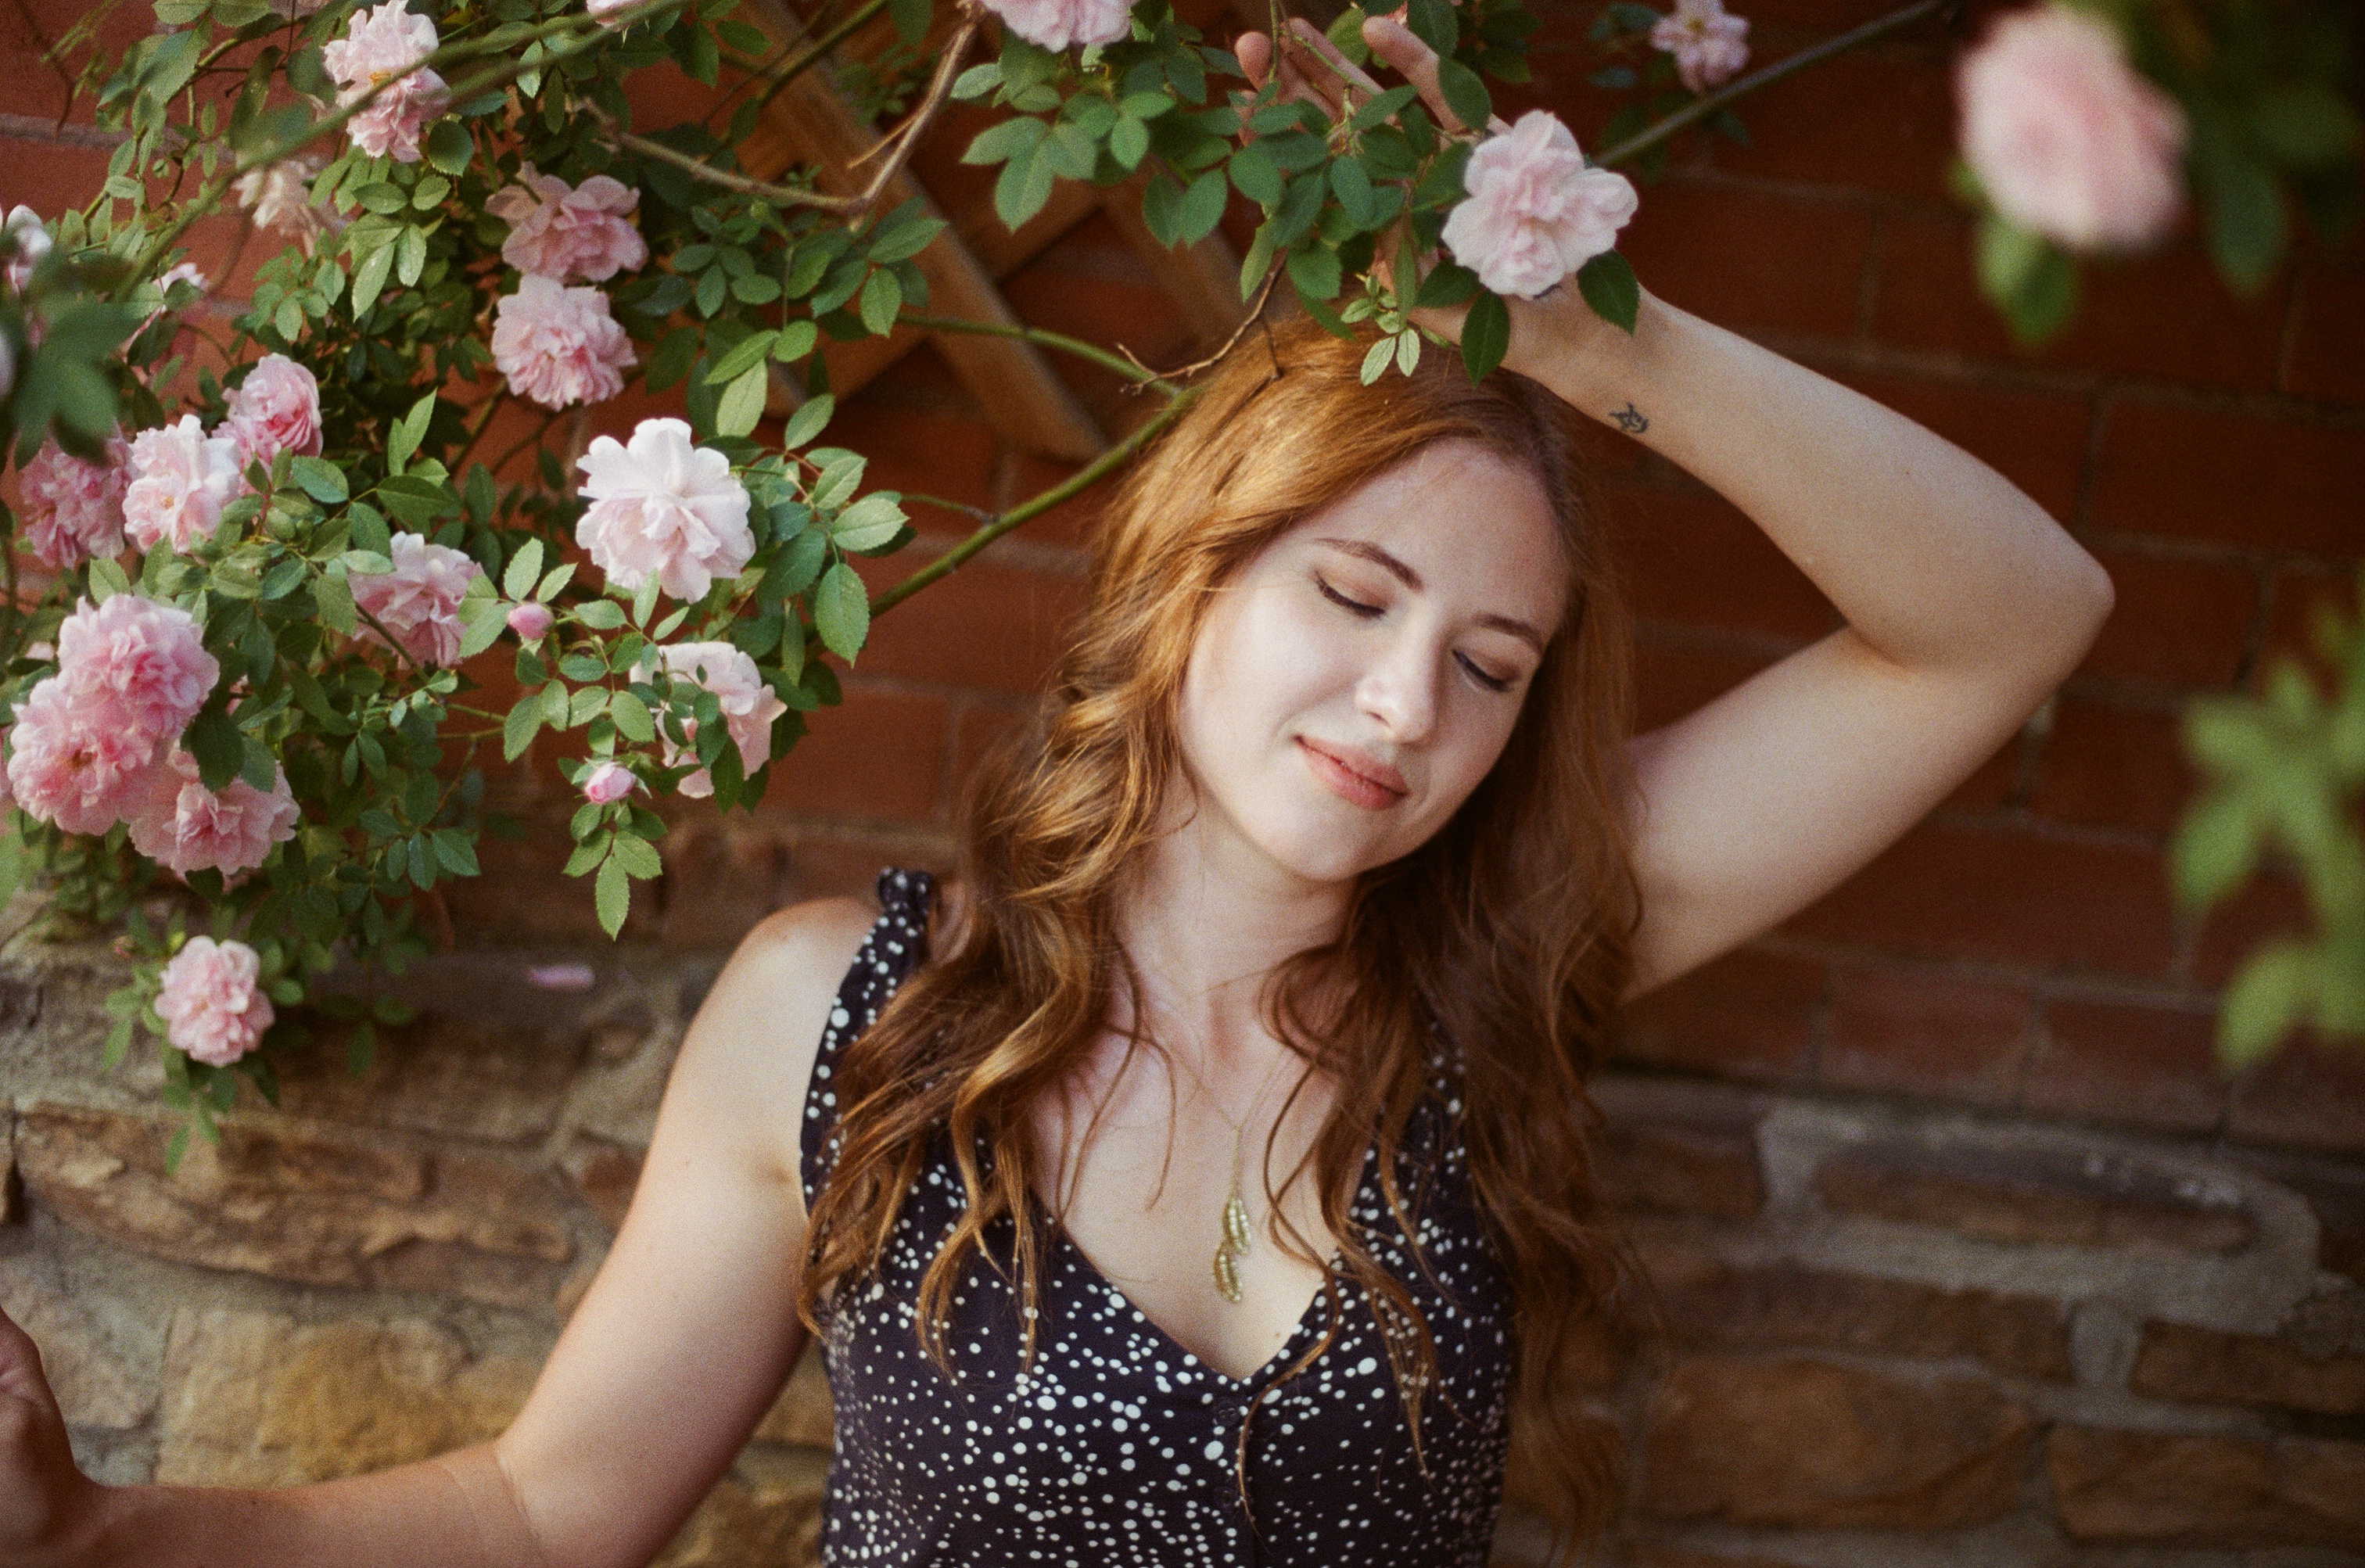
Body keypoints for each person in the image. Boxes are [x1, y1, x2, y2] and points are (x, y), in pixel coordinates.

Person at [0, 15, 2115, 1567]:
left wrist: (1587, 343)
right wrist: (94, 1540)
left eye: (1491, 664)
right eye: (1353, 596)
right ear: (1191, 582)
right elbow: (544, 1516)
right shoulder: (847, 1021)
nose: (1407, 703)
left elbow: (2013, 619)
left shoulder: (1505, 969)